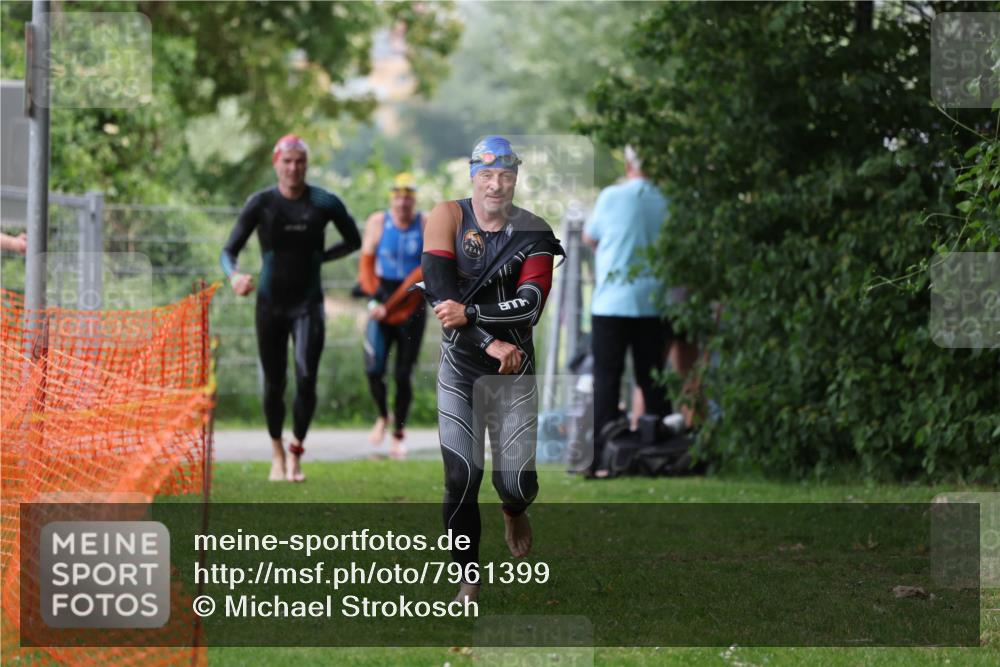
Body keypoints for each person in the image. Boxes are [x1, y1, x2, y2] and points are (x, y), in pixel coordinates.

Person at [421, 136, 563, 604]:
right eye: (486, 176)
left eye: (504, 176)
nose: (495, 185)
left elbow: (531, 305)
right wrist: (485, 338)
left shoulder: (535, 233)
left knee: (517, 482)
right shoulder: (447, 216)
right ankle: (467, 579)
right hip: (461, 366)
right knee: (462, 476)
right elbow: (442, 297)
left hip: (514, 370)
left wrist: (478, 316)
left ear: (515, 179)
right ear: (472, 177)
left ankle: (514, 509)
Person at [221, 134, 361, 482]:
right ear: (276, 163)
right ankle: (276, 453)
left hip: (308, 304)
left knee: (307, 377)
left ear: (306, 165)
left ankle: (296, 450)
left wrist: (320, 258)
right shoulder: (261, 203)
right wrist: (234, 277)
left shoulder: (324, 202)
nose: (293, 168)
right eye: (287, 161)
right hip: (270, 304)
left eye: (300, 161)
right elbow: (228, 252)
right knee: (274, 383)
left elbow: (354, 240)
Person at [583, 145, 680, 478]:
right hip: (653, 301)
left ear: (627, 165)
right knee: (652, 378)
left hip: (611, 302)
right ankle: (657, 454)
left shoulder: (611, 196)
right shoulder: (669, 200)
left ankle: (600, 459)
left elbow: (590, 237)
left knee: (606, 379)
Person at [358, 173, 427, 459]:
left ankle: (398, 434)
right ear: (392, 198)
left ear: (414, 200)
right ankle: (383, 415)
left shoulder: (425, 224)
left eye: (407, 197)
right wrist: (375, 301)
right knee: (373, 369)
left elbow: (421, 272)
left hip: (411, 303)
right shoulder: (377, 222)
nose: (402, 202)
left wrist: (391, 304)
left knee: (402, 374)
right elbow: (365, 268)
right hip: (382, 298)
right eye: (397, 196)